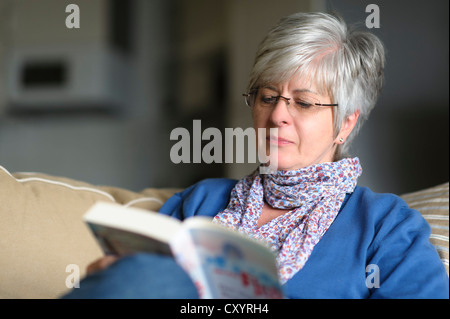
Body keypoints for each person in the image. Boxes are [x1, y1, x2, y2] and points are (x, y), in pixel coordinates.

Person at [63, 12, 448, 299]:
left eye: (304, 102)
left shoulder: (385, 226)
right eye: (268, 97)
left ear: (345, 125)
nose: (278, 115)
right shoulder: (201, 199)